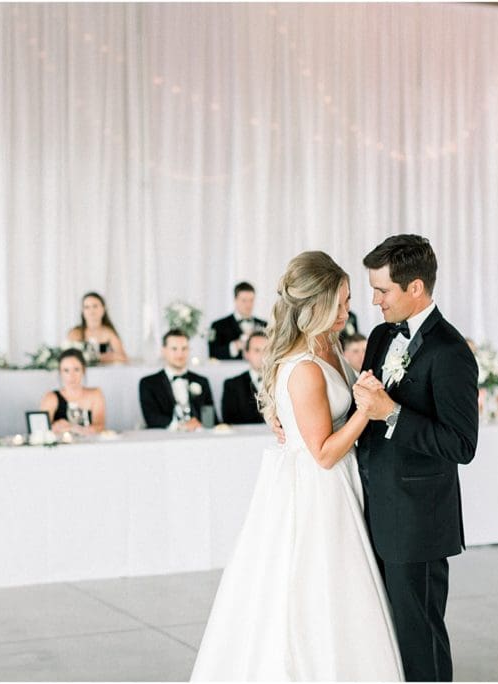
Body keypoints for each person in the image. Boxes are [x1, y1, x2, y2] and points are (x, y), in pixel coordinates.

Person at [192, 251, 403, 680]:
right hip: (315, 489)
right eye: (338, 303)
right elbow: (323, 453)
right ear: (314, 305)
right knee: (310, 589)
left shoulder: (328, 343)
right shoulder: (304, 366)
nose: (346, 311)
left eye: (347, 300)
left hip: (339, 482)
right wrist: (368, 410)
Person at [349, 234, 479, 682]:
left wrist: (393, 413)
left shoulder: (451, 352)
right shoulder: (382, 335)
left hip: (418, 521)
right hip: (372, 506)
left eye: (382, 290)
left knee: (419, 635)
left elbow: (461, 445)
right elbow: (363, 406)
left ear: (416, 287)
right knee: (383, 632)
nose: (375, 300)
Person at [139, 329, 217, 430]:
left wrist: (200, 424)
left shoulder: (202, 381)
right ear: (163, 351)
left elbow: (210, 419)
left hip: (198, 434)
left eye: (184, 348)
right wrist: (180, 426)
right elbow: (151, 418)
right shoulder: (148, 383)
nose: (180, 354)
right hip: (165, 436)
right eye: (174, 349)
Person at [40, 349, 107, 435]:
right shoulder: (51, 398)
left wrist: (73, 428)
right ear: (60, 373)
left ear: (83, 370)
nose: (71, 376)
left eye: (76, 369)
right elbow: (41, 430)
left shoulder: (95, 394)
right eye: (66, 370)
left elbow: (100, 427)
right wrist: (55, 428)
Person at [208, 282, 268, 360]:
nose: (248, 304)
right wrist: (236, 346)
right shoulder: (218, 325)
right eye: (244, 300)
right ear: (235, 300)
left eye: (251, 300)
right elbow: (213, 354)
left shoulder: (265, 324)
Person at [220, 331, 269, 424]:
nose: (262, 355)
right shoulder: (232, 385)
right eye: (257, 350)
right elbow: (229, 420)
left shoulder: (282, 382)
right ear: (246, 354)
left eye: (267, 350)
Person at [65, 292, 128, 364]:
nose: (91, 310)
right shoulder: (75, 333)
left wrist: (95, 357)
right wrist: (107, 356)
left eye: (95, 306)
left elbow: (123, 357)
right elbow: (69, 358)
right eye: (87, 307)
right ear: (83, 311)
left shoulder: (108, 333)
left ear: (103, 309)